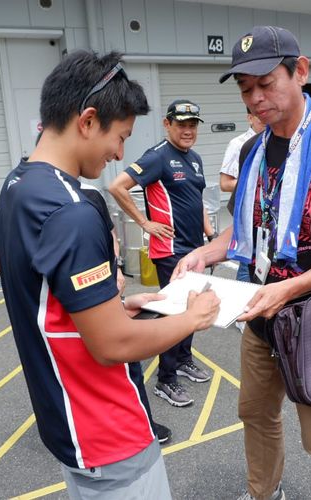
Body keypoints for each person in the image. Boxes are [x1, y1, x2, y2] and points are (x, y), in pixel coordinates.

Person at [172, 26, 311, 499]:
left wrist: (289, 289)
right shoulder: (253, 149)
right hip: (258, 313)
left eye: (266, 82)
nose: (255, 98)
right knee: (255, 413)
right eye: (245, 88)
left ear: (301, 72)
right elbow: (248, 229)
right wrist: (203, 254)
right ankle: (264, 492)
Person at [0, 50, 220, 499]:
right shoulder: (74, 210)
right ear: (88, 120)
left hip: (67, 423)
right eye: (120, 137)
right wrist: (193, 318)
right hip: (108, 429)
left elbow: (4, 262)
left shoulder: (18, 184)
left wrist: (108, 303)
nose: (119, 154)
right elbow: (112, 343)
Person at [0, 181, 172, 446]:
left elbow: (110, 237)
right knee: (85, 368)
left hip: (103, 294)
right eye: (118, 138)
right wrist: (42, 296)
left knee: (123, 368)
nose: (117, 154)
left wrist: (116, 269)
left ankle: (141, 423)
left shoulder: (90, 194)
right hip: (70, 312)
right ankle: (82, 430)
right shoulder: (30, 196)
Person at [109, 99, 216, 408]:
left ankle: (183, 360)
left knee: (191, 309)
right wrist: (145, 223)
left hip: (193, 250)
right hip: (169, 251)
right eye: (181, 124)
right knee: (175, 313)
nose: (187, 130)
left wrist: (211, 238)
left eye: (192, 124)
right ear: (167, 124)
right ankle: (165, 380)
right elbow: (118, 187)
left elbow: (198, 202)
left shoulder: (193, 158)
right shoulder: (157, 157)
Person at [220, 108, 266, 287]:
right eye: (259, 117)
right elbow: (225, 183)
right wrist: (254, 184)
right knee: (246, 265)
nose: (264, 120)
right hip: (247, 216)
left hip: (267, 220)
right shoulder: (239, 144)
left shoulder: (275, 140)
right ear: (249, 118)